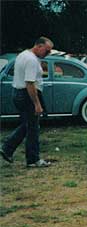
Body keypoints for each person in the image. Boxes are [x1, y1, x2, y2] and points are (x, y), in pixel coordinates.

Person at [0, 37, 53, 167]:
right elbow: (30, 83)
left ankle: (7, 148)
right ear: (39, 46)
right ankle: (33, 159)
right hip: (27, 95)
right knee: (33, 128)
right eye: (46, 51)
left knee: (28, 125)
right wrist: (37, 104)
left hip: (18, 93)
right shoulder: (31, 60)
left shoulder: (23, 55)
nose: (48, 54)